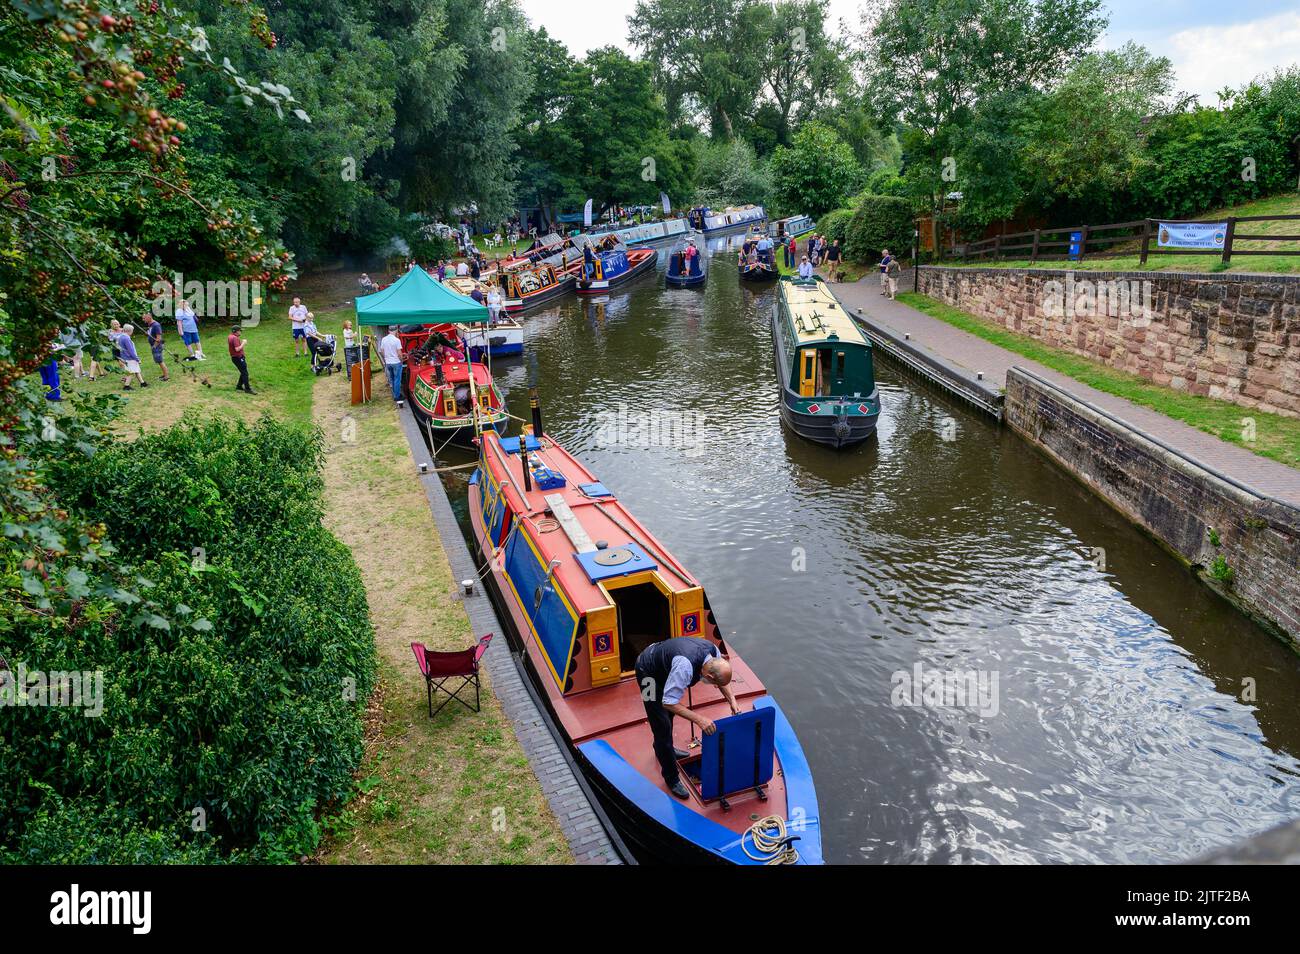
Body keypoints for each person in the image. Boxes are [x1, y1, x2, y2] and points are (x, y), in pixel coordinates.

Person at [634, 637, 739, 800]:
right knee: (661, 724)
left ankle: (665, 749)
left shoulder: (714, 653)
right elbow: (668, 703)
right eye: (714, 684)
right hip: (647, 672)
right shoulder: (685, 667)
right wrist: (699, 719)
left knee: (669, 716)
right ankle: (671, 778)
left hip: (667, 670)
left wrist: (732, 700)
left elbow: (722, 682)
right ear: (710, 676)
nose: (715, 687)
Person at [378, 325, 405, 402]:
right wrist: (401, 360)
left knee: (392, 378)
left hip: (388, 362)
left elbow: (382, 351)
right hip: (396, 362)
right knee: (397, 379)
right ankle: (397, 396)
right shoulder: (397, 340)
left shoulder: (384, 339)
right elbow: (399, 353)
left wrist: (386, 358)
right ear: (396, 330)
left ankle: (395, 393)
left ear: (388, 331)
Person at [116, 324, 147, 390]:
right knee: (131, 372)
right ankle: (126, 386)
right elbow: (131, 351)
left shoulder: (121, 337)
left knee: (136, 370)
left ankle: (142, 383)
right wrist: (137, 359)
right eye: (132, 330)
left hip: (124, 357)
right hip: (130, 358)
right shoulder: (126, 338)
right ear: (130, 331)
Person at [228, 324, 254, 393]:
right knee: (245, 373)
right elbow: (237, 349)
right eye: (240, 331)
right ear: (235, 331)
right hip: (238, 358)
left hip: (235, 357)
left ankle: (239, 386)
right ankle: (247, 389)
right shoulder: (235, 338)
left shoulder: (230, 336)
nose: (240, 332)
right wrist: (243, 343)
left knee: (243, 371)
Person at [145, 312, 169, 381]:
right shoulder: (150, 325)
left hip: (157, 346)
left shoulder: (156, 325)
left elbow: (159, 338)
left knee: (160, 361)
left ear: (149, 317)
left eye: (144, 318)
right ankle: (164, 374)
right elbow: (153, 334)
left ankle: (166, 377)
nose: (143, 320)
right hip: (154, 345)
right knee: (159, 361)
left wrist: (154, 346)